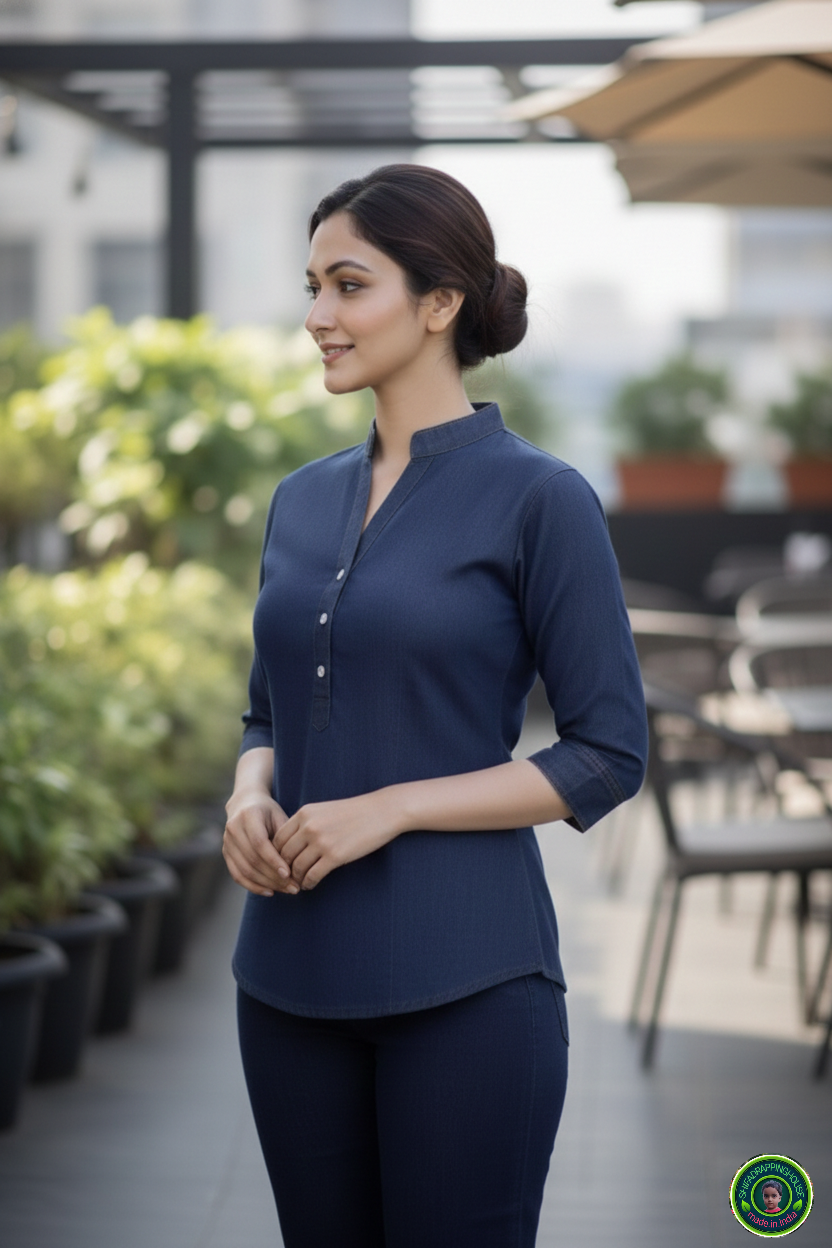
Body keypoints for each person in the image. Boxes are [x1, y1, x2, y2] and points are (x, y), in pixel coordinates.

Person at [223, 163, 648, 1248]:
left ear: (439, 302)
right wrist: (245, 794)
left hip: (468, 981)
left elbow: (605, 753)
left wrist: (390, 807)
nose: (317, 316)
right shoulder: (300, 498)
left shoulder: (539, 498)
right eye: (311, 285)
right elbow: (264, 713)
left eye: (348, 285)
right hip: (284, 984)